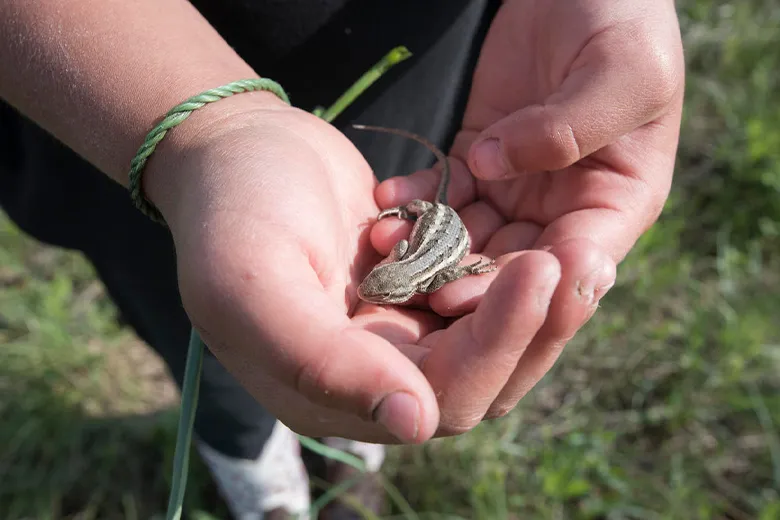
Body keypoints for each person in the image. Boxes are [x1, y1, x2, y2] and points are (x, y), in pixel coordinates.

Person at [0, 0, 685, 518]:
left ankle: (354, 442)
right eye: (376, 287)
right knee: (206, 334)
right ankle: (249, 461)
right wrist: (213, 132)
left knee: (364, 229)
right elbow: (430, 262)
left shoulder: (421, 260)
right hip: (105, 107)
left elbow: (445, 259)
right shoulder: (412, 267)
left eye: (377, 286)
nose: (371, 288)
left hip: (412, 42)